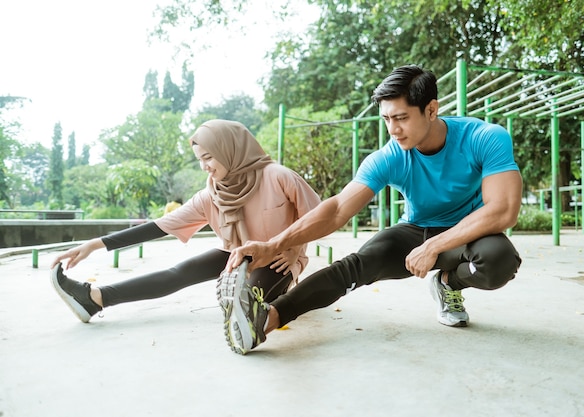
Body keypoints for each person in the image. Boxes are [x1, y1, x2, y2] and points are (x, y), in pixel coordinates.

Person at [222, 64, 523, 355]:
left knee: (499, 260)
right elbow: (338, 208)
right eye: (387, 119)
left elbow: (503, 210)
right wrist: (274, 244)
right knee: (358, 264)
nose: (393, 129)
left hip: (465, 235)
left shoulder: (484, 138)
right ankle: (266, 320)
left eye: (401, 118)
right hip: (416, 230)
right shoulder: (390, 156)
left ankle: (447, 284)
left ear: (431, 110)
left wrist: (435, 246)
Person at [49, 120, 321, 333]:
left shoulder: (278, 177)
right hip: (237, 255)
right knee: (180, 272)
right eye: (199, 160)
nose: (204, 167)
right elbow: (158, 227)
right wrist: (94, 245)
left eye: (209, 157)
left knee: (248, 298)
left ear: (230, 149)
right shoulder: (211, 196)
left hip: (279, 258)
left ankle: (260, 310)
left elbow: (317, 214)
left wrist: (294, 249)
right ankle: (94, 299)